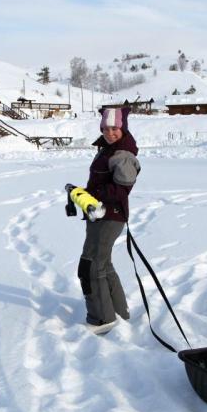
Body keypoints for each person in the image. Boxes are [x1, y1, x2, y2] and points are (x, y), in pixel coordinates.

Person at [77, 106, 141, 334]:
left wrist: (90, 194)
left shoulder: (121, 153)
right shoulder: (110, 149)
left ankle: (101, 319)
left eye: (115, 128)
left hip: (110, 216)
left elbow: (122, 190)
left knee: (90, 264)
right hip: (101, 214)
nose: (110, 132)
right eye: (105, 128)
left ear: (122, 128)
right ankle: (118, 312)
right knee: (103, 263)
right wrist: (84, 193)